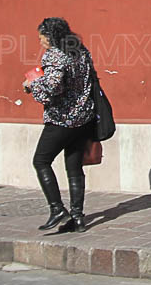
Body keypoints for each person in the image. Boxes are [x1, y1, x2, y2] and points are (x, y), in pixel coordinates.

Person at [24, 17, 98, 234]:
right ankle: (77, 217)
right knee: (74, 167)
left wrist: (32, 85)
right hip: (83, 118)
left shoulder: (55, 55)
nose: (41, 42)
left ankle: (57, 208)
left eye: (42, 38)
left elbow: (53, 87)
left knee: (41, 160)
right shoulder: (81, 51)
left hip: (62, 119)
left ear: (51, 36)